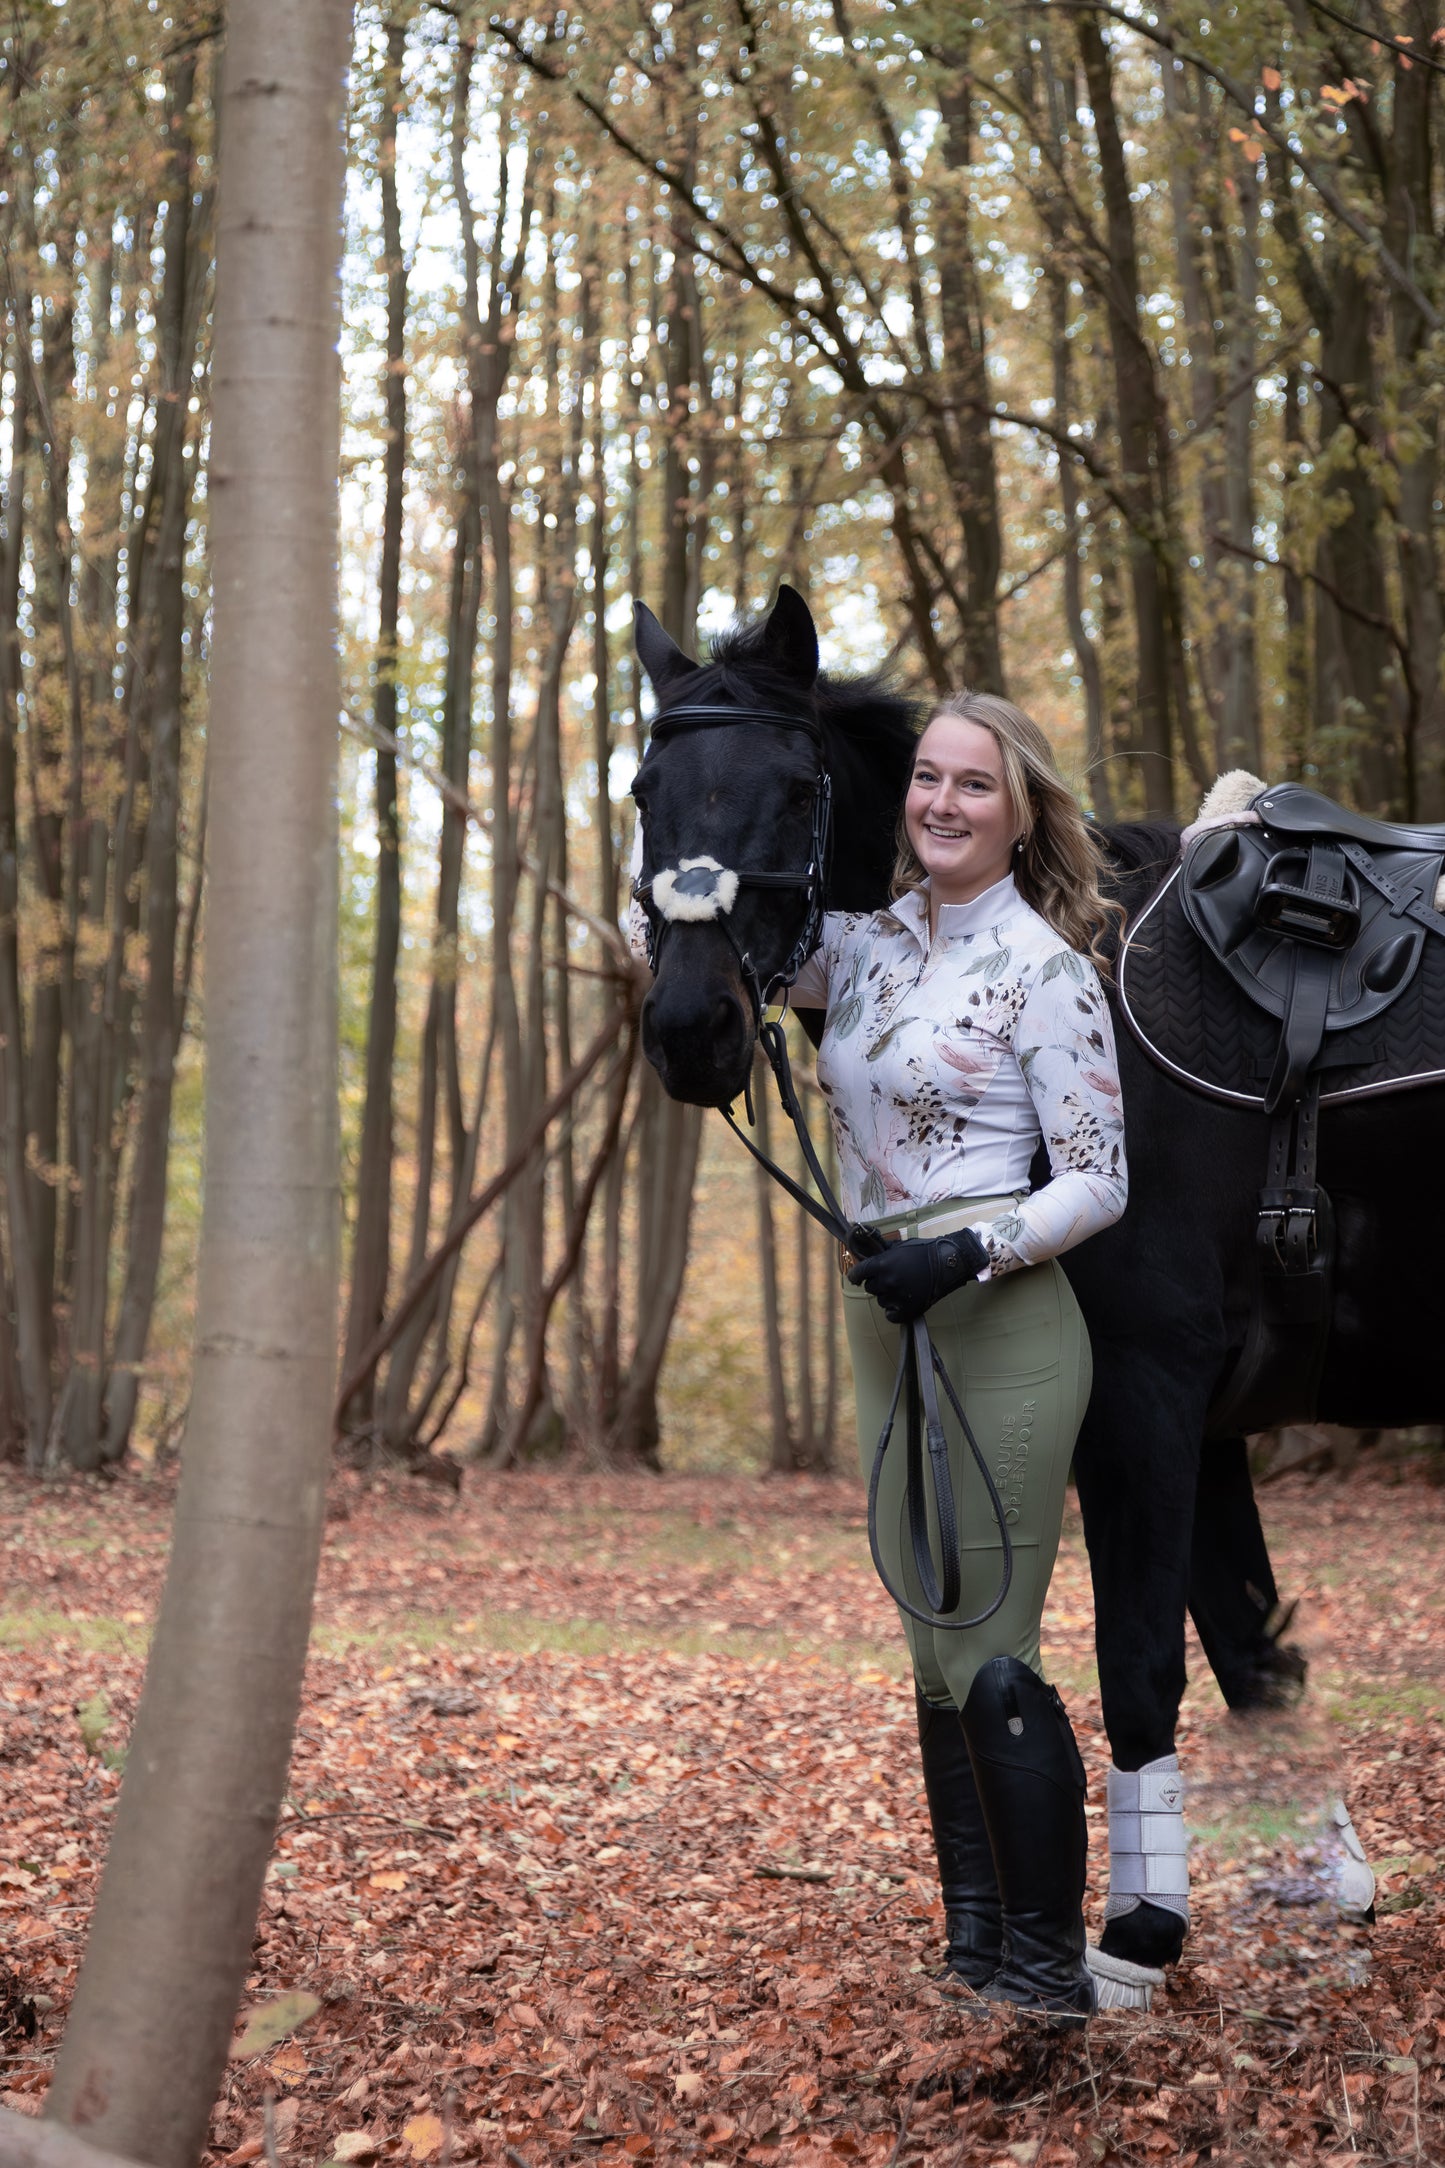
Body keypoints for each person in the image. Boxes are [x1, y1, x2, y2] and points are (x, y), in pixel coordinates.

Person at [788, 691, 1127, 2022]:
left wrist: (967, 1252)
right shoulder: (864, 949)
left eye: (972, 785)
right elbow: (668, 933)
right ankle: (976, 1951)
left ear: (1021, 810)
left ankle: (1044, 1978)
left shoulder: (1045, 972)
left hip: (1001, 1324)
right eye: (926, 779)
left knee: (991, 1645)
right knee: (930, 1648)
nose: (938, 803)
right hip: (885, 1317)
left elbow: (1098, 1180)